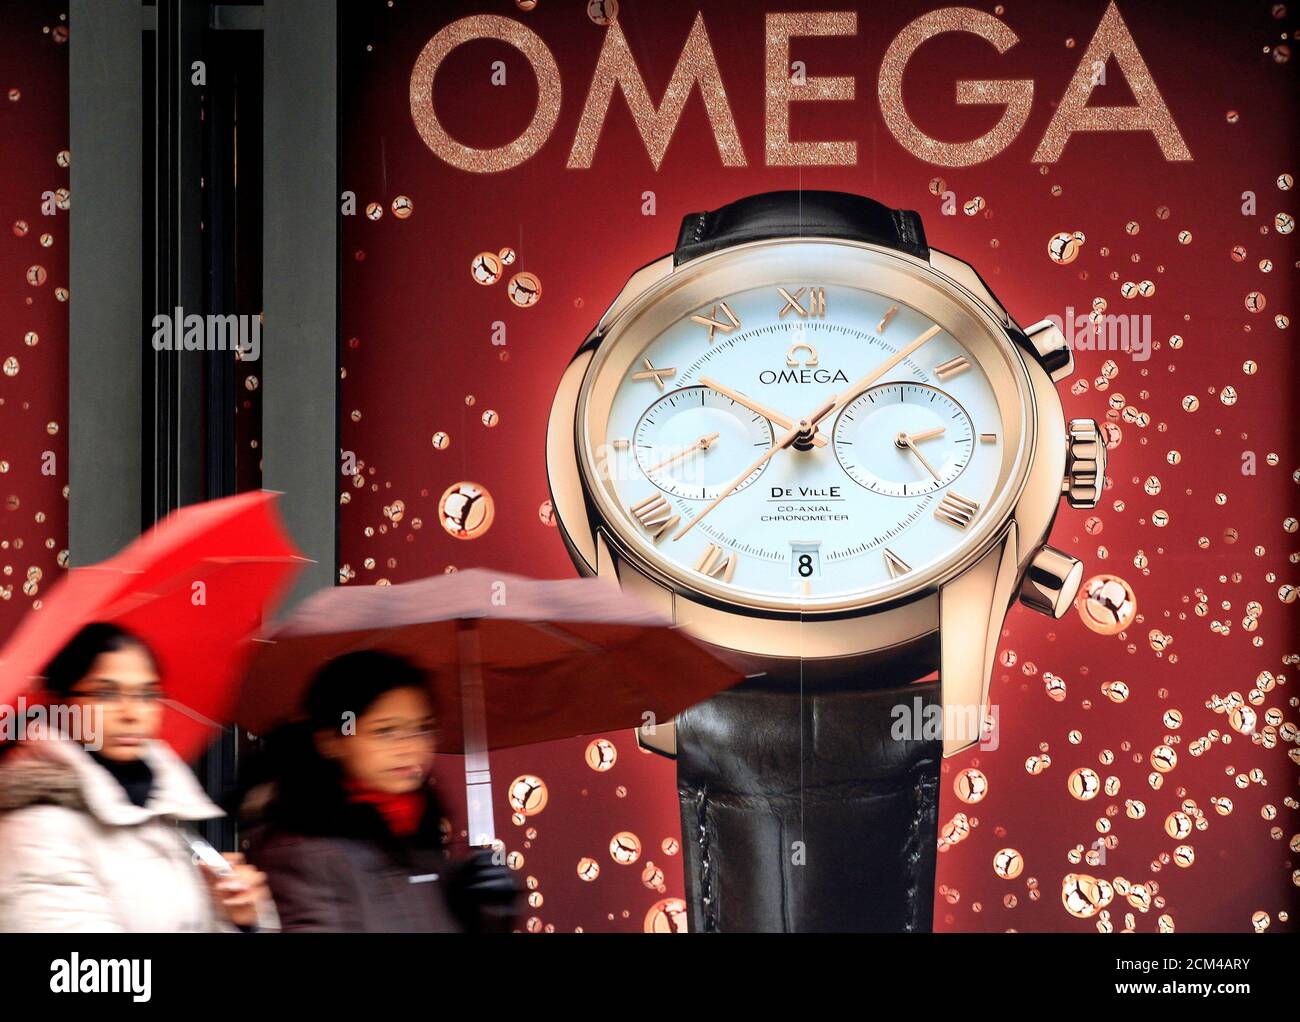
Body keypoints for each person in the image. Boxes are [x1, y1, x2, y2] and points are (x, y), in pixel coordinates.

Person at [0, 622, 274, 932]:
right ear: (62, 704)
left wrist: (237, 919)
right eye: (107, 693)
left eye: (147, 694)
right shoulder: (36, 827)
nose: (132, 713)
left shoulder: (156, 812)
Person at [244, 649, 520, 932]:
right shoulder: (301, 853)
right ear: (331, 741)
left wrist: (488, 912)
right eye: (385, 731)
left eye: (422, 729)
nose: (410, 748)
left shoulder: (417, 834)